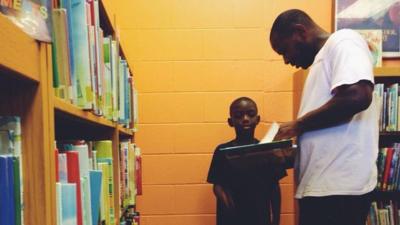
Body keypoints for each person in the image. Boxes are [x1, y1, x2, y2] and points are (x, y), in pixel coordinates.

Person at [269, 9, 379, 225]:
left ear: (299, 32)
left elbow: (357, 96)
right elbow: (328, 134)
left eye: (284, 50)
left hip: (338, 192)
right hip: (323, 190)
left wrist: (297, 126)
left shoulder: (343, 41)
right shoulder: (320, 63)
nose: (286, 60)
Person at [207, 97, 287, 225]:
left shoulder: (267, 150)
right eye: (238, 115)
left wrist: (276, 219)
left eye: (250, 114)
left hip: (260, 216)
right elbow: (217, 184)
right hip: (230, 218)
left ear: (257, 119)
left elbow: (274, 186)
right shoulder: (223, 150)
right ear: (230, 121)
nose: (245, 119)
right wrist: (228, 204)